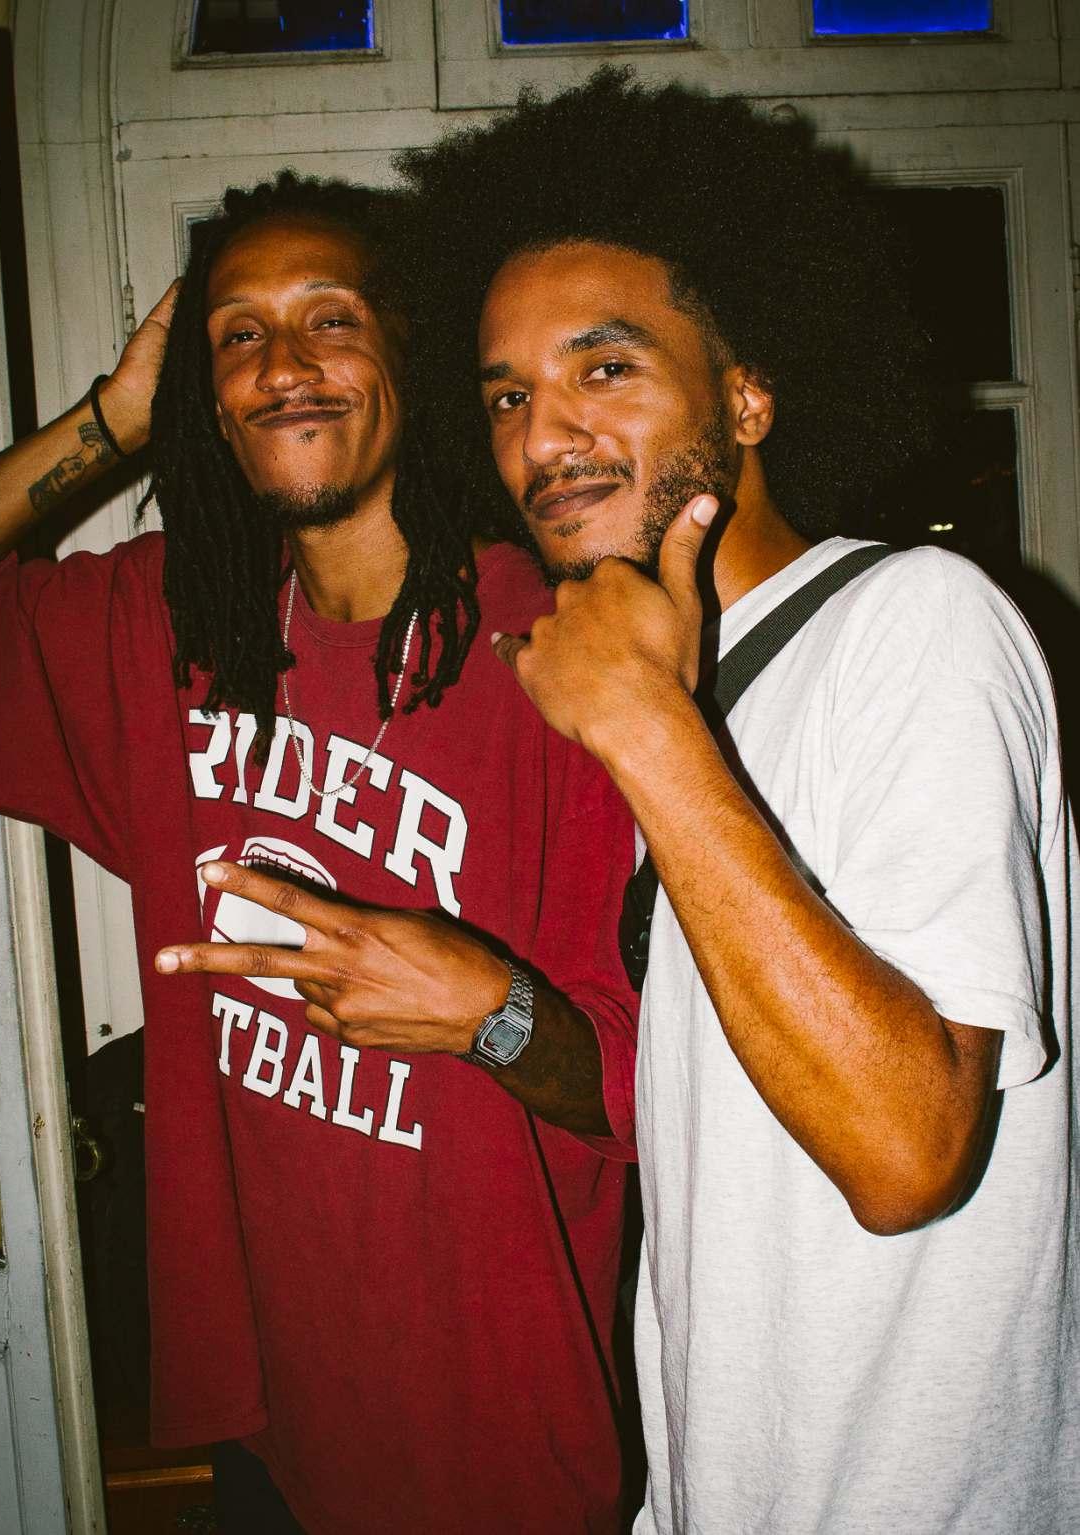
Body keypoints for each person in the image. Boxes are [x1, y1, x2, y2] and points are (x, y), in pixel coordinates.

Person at [396, 71, 1079, 1533]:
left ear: (748, 396)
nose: (544, 437)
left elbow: (906, 1154)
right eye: (509, 396)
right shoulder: (688, 694)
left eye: (604, 368)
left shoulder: (914, 621)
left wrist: (646, 732)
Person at [0, 172, 639, 1533]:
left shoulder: (567, 646)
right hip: (273, 1417)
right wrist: (111, 420)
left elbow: (650, 1096)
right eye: (239, 335)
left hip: (496, 1428)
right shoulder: (170, 627)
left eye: (330, 319)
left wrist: (488, 1011)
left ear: (406, 359)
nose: (283, 365)